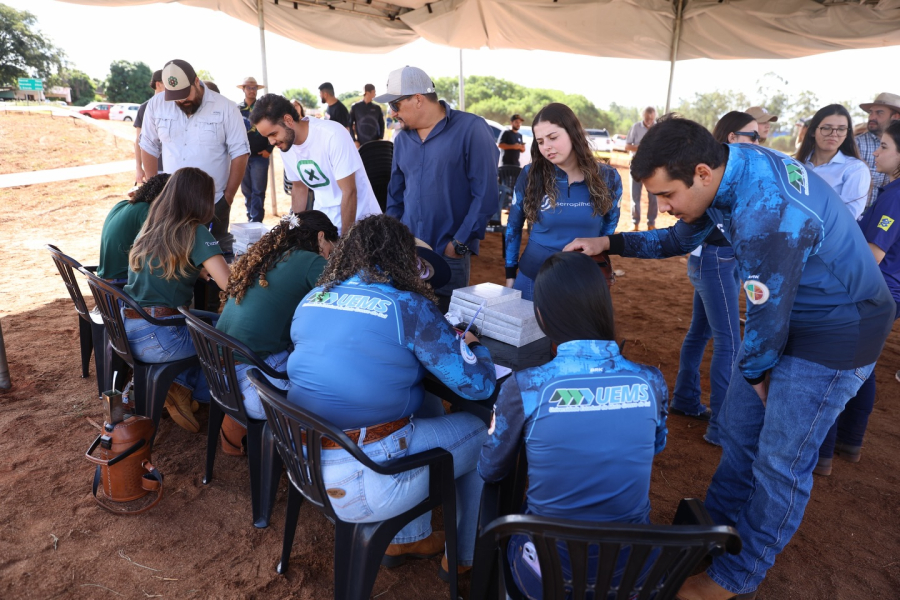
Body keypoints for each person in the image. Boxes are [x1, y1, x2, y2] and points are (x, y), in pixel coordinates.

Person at [563, 116, 895, 600]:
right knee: (739, 433)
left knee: (780, 462)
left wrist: (759, 373)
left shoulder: (765, 209)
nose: (663, 207)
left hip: (840, 328)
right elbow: (681, 240)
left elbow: (766, 315)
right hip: (785, 315)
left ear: (700, 172)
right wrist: (610, 242)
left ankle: (735, 576)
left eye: (667, 196)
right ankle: (707, 536)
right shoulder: (728, 169)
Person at [285, 214, 496, 580]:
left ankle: (408, 536)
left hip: (305, 466)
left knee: (428, 405)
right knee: (481, 431)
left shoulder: (314, 296)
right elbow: (479, 386)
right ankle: (464, 557)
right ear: (403, 257)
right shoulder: (408, 306)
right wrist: (474, 346)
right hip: (365, 479)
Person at [480, 251, 668, 599]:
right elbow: (654, 445)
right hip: (631, 575)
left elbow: (491, 469)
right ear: (602, 306)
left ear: (541, 315)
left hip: (547, 576)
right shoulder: (651, 382)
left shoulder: (525, 387)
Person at [214, 210, 337, 454]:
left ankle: (234, 430)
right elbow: (344, 299)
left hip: (220, 376)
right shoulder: (311, 261)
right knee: (327, 367)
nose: (330, 256)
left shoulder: (269, 255)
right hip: (252, 383)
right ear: (321, 237)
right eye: (332, 249)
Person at [378, 66, 499, 311]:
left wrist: (459, 245)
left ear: (418, 99)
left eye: (395, 105)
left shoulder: (471, 129)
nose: (392, 113)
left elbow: (486, 194)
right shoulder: (401, 139)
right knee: (407, 319)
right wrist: (393, 241)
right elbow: (395, 197)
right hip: (408, 254)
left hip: (449, 255)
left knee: (448, 326)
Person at [817, 120, 900, 475]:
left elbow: (873, 253)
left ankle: (822, 451)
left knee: (832, 364)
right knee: (861, 365)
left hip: (872, 289)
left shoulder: (895, 195)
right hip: (885, 291)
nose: (875, 152)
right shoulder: (891, 190)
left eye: (883, 147)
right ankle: (849, 441)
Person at [125, 167, 231, 433]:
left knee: (203, 325)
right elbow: (230, 285)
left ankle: (178, 385)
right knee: (229, 335)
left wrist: (198, 267)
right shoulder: (196, 232)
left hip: (130, 332)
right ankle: (193, 392)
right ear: (201, 200)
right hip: (163, 337)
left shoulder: (149, 227)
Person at [670, 112, 754, 441]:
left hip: (711, 260)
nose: (758, 142)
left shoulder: (720, 171)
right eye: (754, 135)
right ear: (732, 137)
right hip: (716, 261)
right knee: (729, 342)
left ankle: (685, 399)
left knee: (701, 333)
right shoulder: (713, 173)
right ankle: (720, 426)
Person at [503, 103, 621, 300]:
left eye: (553, 137)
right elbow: (514, 227)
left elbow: (609, 226)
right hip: (533, 279)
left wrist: (596, 257)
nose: (546, 146)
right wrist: (509, 275)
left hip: (583, 281)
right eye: (540, 141)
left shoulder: (608, 177)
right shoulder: (531, 175)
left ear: (573, 132)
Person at [139, 59, 249, 256]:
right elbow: (148, 145)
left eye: (185, 94)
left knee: (213, 260)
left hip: (213, 202)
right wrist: (154, 188)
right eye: (176, 97)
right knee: (174, 257)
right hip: (171, 202)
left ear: (196, 81)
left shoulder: (226, 107)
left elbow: (240, 153)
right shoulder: (156, 105)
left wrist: (228, 196)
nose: (181, 101)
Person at [250, 94, 381, 235]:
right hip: (326, 225)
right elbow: (299, 188)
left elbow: (349, 192)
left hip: (361, 225)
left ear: (288, 120)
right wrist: (294, 232)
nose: (271, 142)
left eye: (273, 134)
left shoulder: (332, 135)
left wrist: (344, 242)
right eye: (267, 137)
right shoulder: (286, 146)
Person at [796, 104, 871, 220]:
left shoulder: (855, 169)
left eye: (841, 129)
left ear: (847, 134)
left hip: (827, 235)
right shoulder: (796, 164)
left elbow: (849, 216)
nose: (834, 134)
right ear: (812, 132)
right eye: (826, 128)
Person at [97, 173, 171, 285]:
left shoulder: (121, 204)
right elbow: (163, 251)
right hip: (122, 285)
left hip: (105, 284)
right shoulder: (147, 212)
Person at [238, 76, 273, 223]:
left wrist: (269, 149)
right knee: (247, 191)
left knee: (258, 191)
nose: (252, 91)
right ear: (244, 89)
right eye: (249, 88)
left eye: (254, 88)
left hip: (260, 156)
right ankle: (250, 219)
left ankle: (256, 221)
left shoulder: (265, 109)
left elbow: (273, 127)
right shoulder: (237, 109)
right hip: (243, 155)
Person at [856, 92, 900, 207]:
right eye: (871, 112)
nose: (872, 117)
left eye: (879, 112)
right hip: (860, 216)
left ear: (896, 116)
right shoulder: (856, 144)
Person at [625, 106, 658, 231]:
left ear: (654, 117)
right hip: (637, 166)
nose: (649, 120)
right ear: (643, 116)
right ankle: (635, 223)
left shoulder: (658, 129)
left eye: (651, 117)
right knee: (635, 196)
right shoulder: (636, 127)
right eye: (647, 117)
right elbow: (627, 146)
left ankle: (651, 223)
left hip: (653, 168)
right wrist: (643, 148)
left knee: (654, 197)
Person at [133, 69, 164, 186]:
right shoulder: (144, 108)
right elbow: (138, 140)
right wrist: (139, 168)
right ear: (158, 84)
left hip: (174, 167)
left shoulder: (176, 105)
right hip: (155, 169)